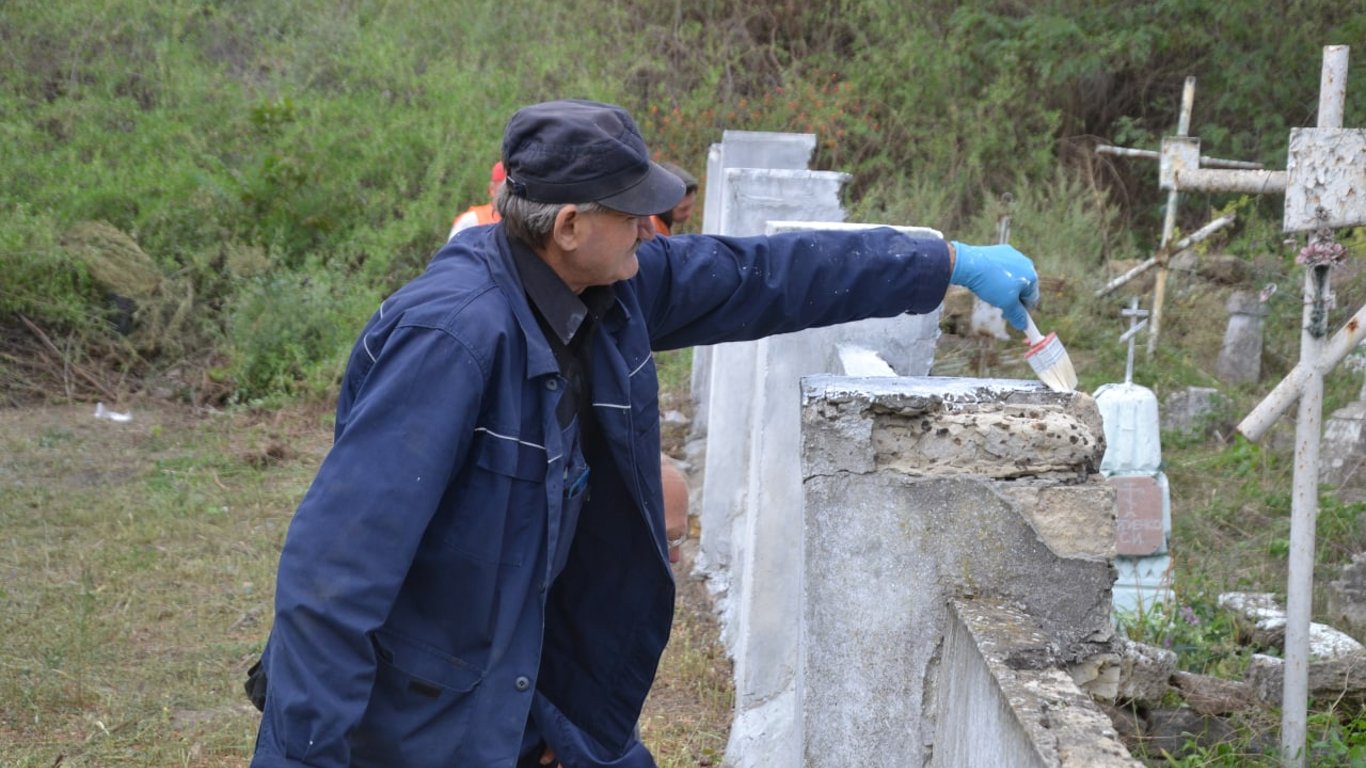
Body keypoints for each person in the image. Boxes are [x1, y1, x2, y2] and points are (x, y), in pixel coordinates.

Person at [249, 98, 1039, 768]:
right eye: (631, 211)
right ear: (567, 226)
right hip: (427, 720)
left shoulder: (612, 288)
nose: (649, 227)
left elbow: (765, 274)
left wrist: (943, 261)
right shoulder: (452, 342)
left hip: (535, 684)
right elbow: (332, 580)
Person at [448, 160, 506, 239]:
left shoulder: (522, 223)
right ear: (492, 189)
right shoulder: (472, 220)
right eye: (505, 189)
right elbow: (454, 250)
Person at [648, 161, 697, 236]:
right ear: (664, 206)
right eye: (683, 209)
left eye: (692, 205)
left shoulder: (661, 224)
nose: (688, 214)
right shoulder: (651, 232)